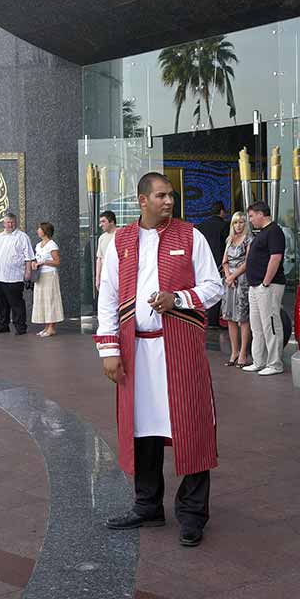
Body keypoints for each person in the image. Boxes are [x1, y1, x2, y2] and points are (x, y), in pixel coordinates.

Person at [95, 172, 223, 548]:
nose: (169, 202)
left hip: (180, 350)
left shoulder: (190, 236)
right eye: (162, 196)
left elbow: (214, 286)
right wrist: (108, 351)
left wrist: (178, 299)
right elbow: (108, 296)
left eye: (171, 196)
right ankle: (147, 505)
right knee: (143, 430)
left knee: (193, 426)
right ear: (142, 200)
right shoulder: (121, 240)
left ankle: (193, 514)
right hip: (136, 352)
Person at [243, 201, 286, 376]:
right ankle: (259, 361)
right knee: (257, 326)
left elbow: (275, 258)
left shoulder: (274, 231)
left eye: (252, 216)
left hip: (267, 285)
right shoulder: (262, 233)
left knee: (270, 324)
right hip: (256, 286)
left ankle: (275, 363)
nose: (250, 220)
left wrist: (266, 282)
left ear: (261, 214)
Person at [0, 212, 34, 335]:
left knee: (16, 303)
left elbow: (28, 256)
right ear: (4, 223)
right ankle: (3, 325)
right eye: (8, 222)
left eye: (12, 222)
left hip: (13, 277)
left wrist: (28, 272)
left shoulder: (22, 237)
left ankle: (20, 327)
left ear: (16, 222)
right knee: (1, 302)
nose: (10, 225)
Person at [221, 212, 252, 368]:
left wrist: (233, 276)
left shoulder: (249, 239)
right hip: (230, 281)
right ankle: (234, 351)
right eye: (235, 222)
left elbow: (247, 262)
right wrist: (228, 277)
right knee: (229, 317)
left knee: (243, 318)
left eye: (241, 222)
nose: (238, 225)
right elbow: (224, 261)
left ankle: (243, 353)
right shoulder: (229, 239)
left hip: (242, 280)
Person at [197, 201, 229, 326]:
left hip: (203, 261)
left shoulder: (202, 225)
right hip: (219, 261)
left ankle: (209, 318)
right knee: (217, 288)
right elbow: (226, 245)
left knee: (205, 287)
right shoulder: (224, 225)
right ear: (221, 211)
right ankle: (214, 319)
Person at [31, 222, 64, 337]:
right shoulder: (38, 245)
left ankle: (51, 327)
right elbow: (36, 259)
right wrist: (34, 264)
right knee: (42, 300)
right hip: (40, 275)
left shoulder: (52, 245)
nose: (37, 231)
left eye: (39, 229)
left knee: (50, 299)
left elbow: (57, 261)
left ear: (45, 231)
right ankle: (46, 326)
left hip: (50, 275)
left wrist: (44, 262)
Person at [96, 210, 117, 290]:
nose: (100, 225)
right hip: (105, 276)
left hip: (118, 275)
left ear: (111, 221)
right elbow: (99, 259)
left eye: (103, 221)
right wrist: (97, 278)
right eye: (100, 222)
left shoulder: (121, 235)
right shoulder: (101, 238)